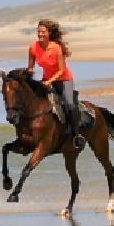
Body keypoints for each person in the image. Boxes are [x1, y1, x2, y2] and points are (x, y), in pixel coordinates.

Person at [26, 19, 86, 150]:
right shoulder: (33, 47)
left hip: (64, 80)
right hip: (46, 79)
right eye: (38, 31)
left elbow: (62, 70)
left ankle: (77, 135)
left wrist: (49, 81)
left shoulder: (56, 48)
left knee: (70, 104)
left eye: (43, 31)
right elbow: (30, 68)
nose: (40, 34)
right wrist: (25, 75)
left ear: (49, 33)